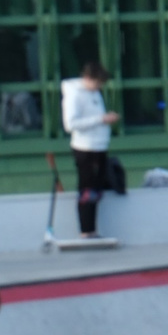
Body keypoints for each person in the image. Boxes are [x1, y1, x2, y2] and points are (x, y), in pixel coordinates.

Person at [61, 61, 121, 240]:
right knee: (87, 190)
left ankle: (92, 229)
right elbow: (70, 124)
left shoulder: (94, 94)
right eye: (97, 83)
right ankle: (85, 230)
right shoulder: (74, 95)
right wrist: (100, 119)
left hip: (99, 146)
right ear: (88, 78)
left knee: (97, 189)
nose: (99, 87)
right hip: (85, 148)